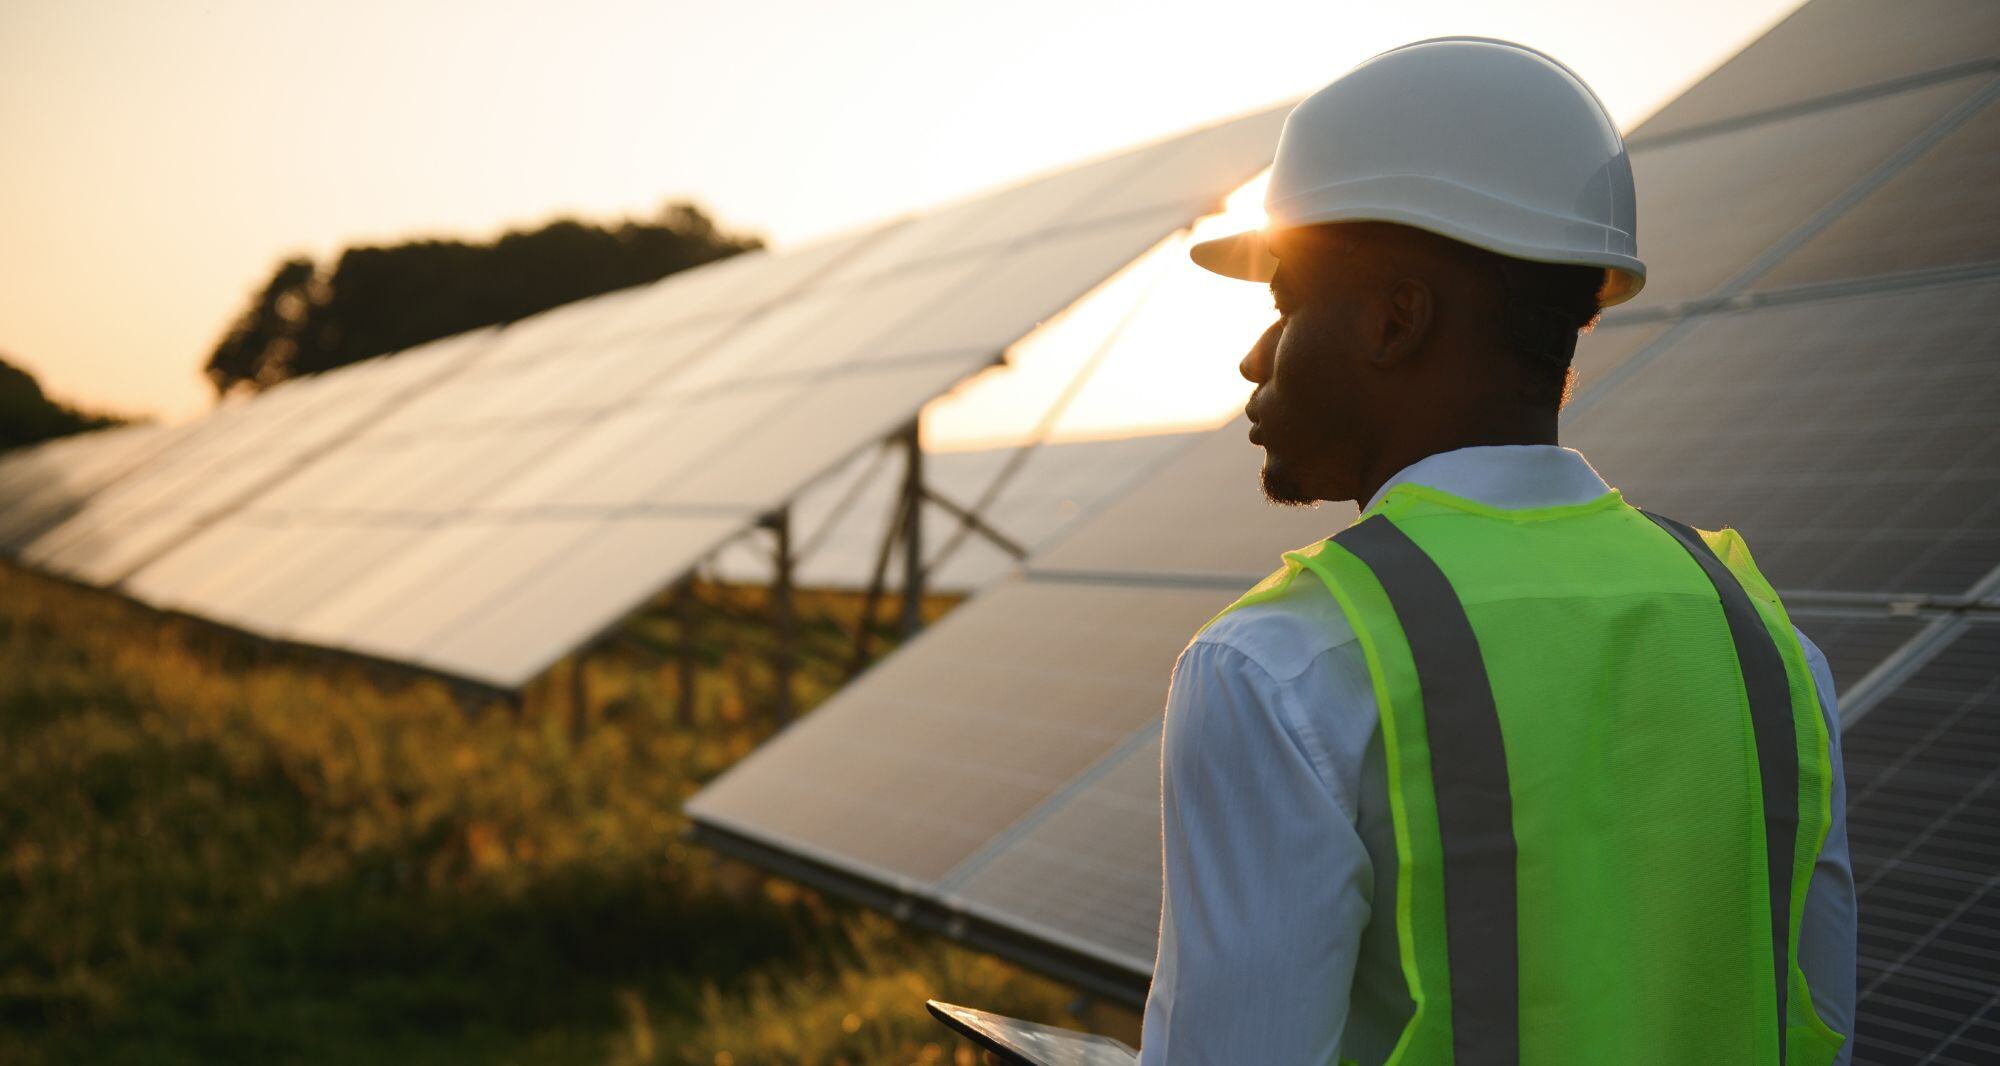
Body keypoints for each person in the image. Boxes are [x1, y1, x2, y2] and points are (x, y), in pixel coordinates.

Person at [1138, 38, 1856, 1065]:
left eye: (1287, 299)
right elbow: (1814, 1025)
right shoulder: (1763, 644)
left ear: (1396, 319)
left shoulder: (1277, 666)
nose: (1256, 355)